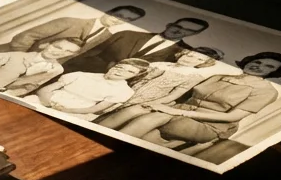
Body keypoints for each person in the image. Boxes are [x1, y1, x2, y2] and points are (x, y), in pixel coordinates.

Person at [112, 51, 281, 155]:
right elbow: (181, 97)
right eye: (258, 61)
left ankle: (113, 141)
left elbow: (231, 117)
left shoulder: (266, 91)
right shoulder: (219, 76)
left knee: (153, 119)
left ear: (274, 73)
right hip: (177, 112)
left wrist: (179, 112)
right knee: (135, 109)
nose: (259, 66)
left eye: (269, 67)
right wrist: (151, 103)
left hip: (210, 125)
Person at [94, 46, 227, 130]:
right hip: (125, 92)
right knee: (98, 110)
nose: (190, 59)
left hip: (148, 100)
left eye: (197, 59)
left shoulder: (193, 76)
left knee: (112, 118)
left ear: (203, 64)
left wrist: (151, 103)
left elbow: (174, 95)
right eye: (189, 55)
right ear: (182, 54)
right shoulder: (160, 64)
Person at [0, 5, 146, 62]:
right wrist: (20, 58)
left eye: (126, 20)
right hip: (3, 56)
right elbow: (25, 36)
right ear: (108, 11)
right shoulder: (70, 21)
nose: (118, 20)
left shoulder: (105, 36)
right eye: (118, 15)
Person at [63, 16, 211, 74]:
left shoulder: (185, 55)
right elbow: (87, 55)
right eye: (178, 26)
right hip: (82, 74)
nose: (180, 31)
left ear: (194, 35)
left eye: (189, 30)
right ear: (170, 23)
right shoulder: (128, 34)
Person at [25, 58, 151, 119]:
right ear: (114, 65)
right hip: (49, 100)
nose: (121, 72)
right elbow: (43, 90)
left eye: (129, 72)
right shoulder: (80, 75)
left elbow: (95, 108)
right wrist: (49, 103)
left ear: (135, 76)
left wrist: (67, 110)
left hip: (79, 110)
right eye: (120, 67)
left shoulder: (124, 91)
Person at [0, 37, 83, 95]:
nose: (58, 53)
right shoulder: (10, 56)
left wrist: (10, 94)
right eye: (57, 47)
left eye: (67, 52)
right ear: (46, 44)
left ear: (72, 55)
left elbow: (30, 86)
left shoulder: (57, 69)